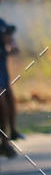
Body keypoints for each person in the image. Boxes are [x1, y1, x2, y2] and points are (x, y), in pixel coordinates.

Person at [0, 17, 22, 158]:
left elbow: (10, 40)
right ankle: (5, 142)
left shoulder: (1, 23)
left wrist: (11, 46)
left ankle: (12, 132)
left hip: (2, 70)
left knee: (9, 98)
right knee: (1, 103)